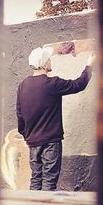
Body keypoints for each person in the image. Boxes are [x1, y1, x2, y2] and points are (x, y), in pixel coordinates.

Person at [16, 46, 96, 191]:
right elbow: (79, 84)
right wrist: (89, 65)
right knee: (49, 182)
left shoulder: (23, 85)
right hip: (51, 143)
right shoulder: (52, 84)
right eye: (49, 60)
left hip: (33, 142)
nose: (51, 62)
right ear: (45, 64)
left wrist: (27, 135)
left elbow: (20, 115)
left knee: (36, 179)